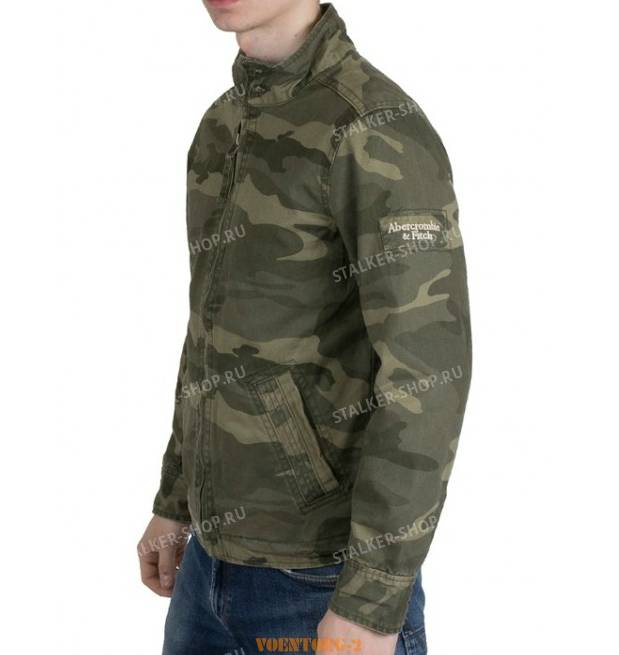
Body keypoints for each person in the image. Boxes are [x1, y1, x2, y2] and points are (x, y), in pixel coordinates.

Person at [137, 2, 472, 653]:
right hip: (206, 569)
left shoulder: (372, 126)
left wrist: (371, 601)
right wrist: (175, 500)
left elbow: (429, 376)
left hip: (321, 583)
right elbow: (210, 332)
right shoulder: (223, 124)